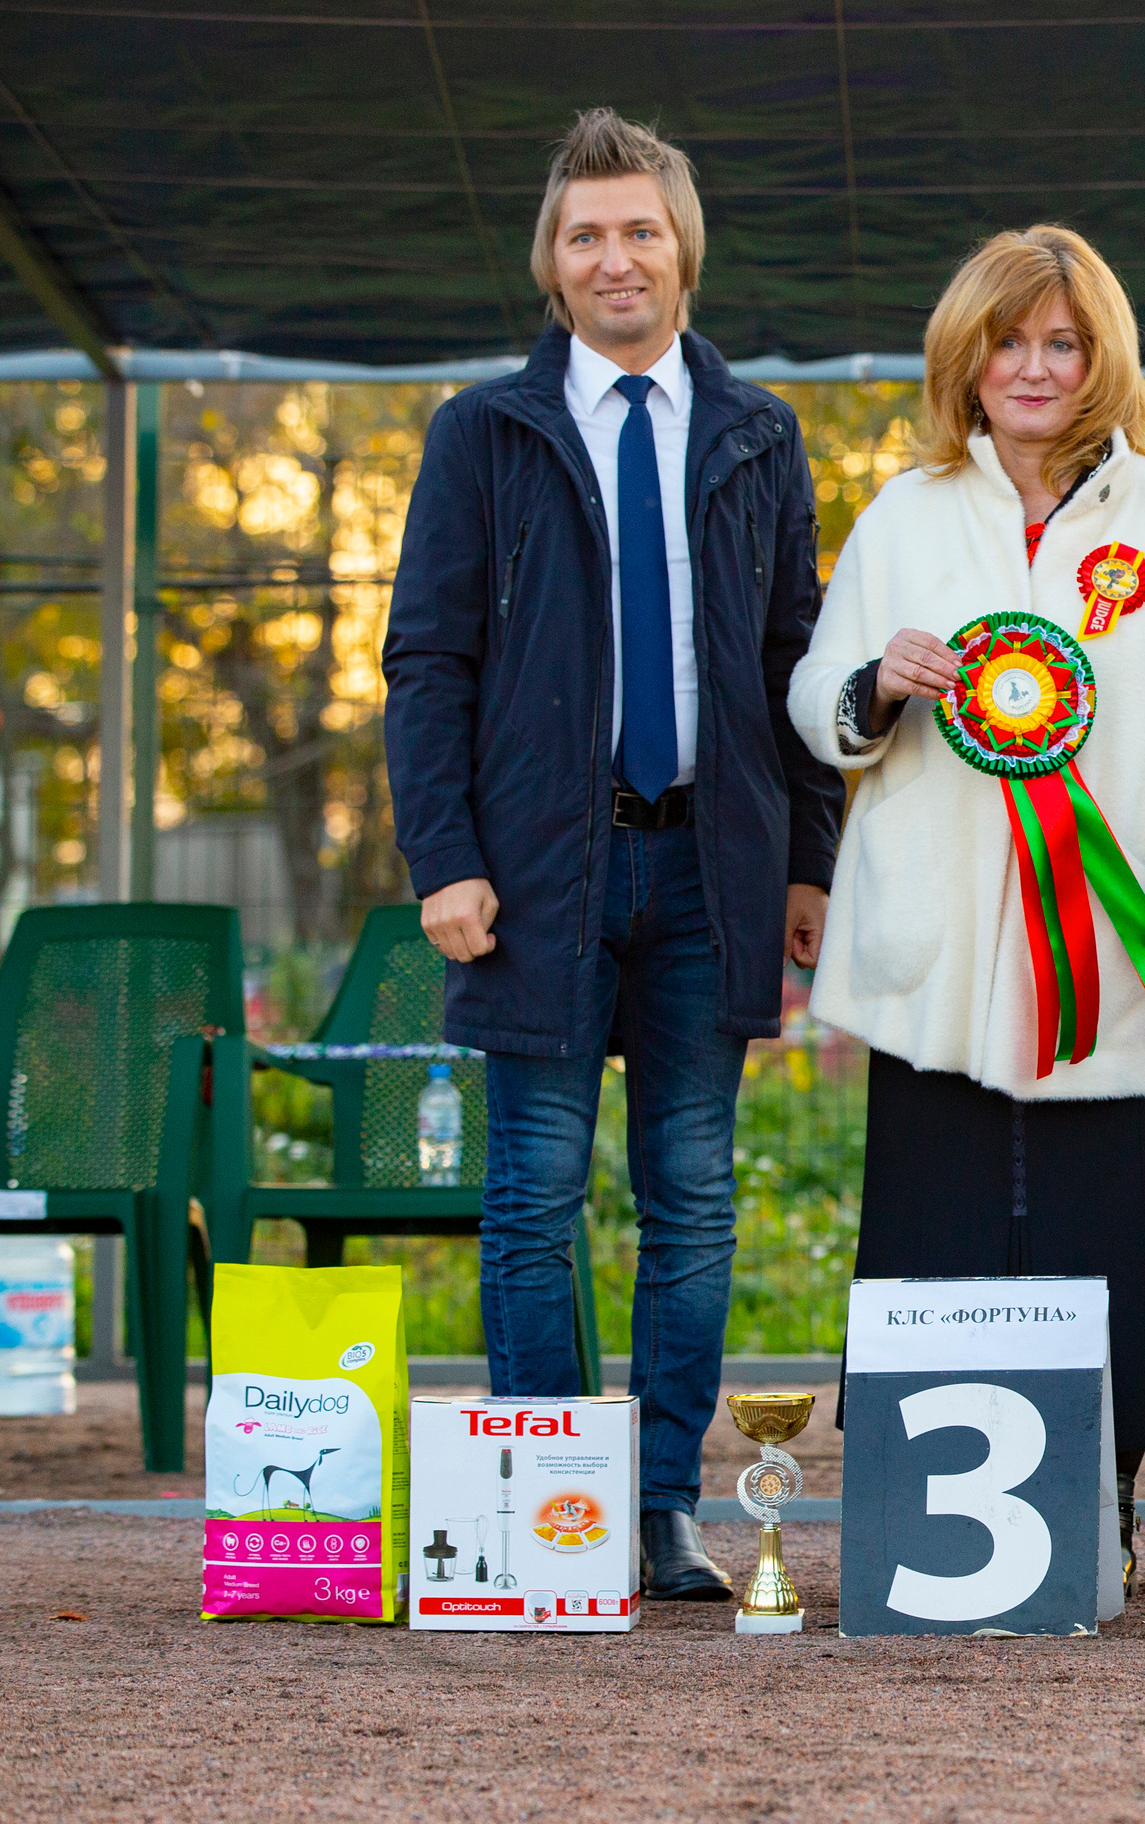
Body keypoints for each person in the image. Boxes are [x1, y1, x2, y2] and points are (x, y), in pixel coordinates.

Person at [384, 109, 843, 1603]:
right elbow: (427, 663)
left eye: (639, 228)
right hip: (531, 879)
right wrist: (444, 856)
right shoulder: (483, 434)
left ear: (683, 247)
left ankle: (657, 1511)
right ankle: (539, 1502)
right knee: (528, 1194)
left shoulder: (760, 435)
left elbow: (797, 659)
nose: (614, 256)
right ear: (552, 263)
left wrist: (808, 863)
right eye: (585, 234)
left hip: (712, 866)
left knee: (693, 1198)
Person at [787, 225, 1145, 1590]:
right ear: (969, 353)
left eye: (1063, 343)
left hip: (1132, 940)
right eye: (1009, 340)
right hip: (945, 952)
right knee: (946, 1223)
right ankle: (940, 1519)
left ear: (1099, 358)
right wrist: (875, 684)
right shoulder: (901, 513)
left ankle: (1097, 1510)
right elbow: (816, 698)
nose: (1035, 366)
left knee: (1114, 1222)